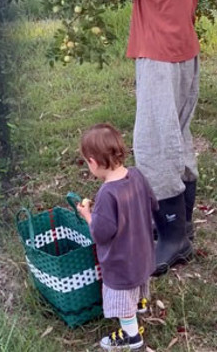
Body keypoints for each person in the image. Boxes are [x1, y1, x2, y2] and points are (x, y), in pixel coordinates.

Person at [89, 0, 205, 276]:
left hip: (157, 54)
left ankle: (170, 240)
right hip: (186, 53)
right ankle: (185, 230)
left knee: (155, 143)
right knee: (178, 136)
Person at [76, 123, 158, 351]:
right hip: (143, 251)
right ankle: (140, 302)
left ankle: (132, 337)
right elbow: (153, 204)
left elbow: (101, 233)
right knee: (139, 280)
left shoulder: (106, 194)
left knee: (122, 300)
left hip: (121, 263)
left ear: (93, 162)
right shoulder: (138, 175)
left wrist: (88, 215)